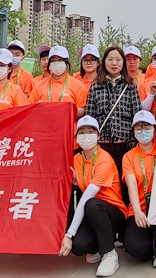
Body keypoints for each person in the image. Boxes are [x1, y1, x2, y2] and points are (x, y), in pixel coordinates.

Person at [59, 116, 127, 277]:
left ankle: (109, 253)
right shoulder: (77, 159)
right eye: (81, 132)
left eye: (90, 132)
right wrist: (76, 181)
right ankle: (96, 248)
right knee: (79, 246)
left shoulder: (104, 159)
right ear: (76, 137)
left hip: (113, 213)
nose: (86, 136)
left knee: (91, 204)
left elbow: (86, 198)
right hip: (92, 212)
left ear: (98, 136)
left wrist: (69, 234)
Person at [122, 110, 156, 268]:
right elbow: (131, 184)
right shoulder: (128, 156)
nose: (143, 131)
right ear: (133, 131)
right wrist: (137, 211)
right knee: (135, 248)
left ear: (154, 129)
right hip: (140, 209)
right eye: (139, 127)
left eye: (147, 127)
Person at [85, 47, 141, 176]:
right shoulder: (96, 85)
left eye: (118, 60)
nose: (114, 63)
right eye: (110, 59)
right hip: (101, 145)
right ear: (104, 62)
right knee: (103, 179)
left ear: (123, 62)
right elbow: (89, 115)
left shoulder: (130, 85)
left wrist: (133, 142)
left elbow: (136, 114)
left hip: (124, 144)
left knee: (124, 180)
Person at [28, 46, 87, 119]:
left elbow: (83, 111)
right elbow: (29, 109)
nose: (56, 63)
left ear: (67, 63)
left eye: (60, 60)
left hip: (67, 125)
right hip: (44, 124)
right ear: (49, 64)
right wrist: (38, 108)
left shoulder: (77, 85)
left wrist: (69, 109)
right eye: (53, 61)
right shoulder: (39, 86)